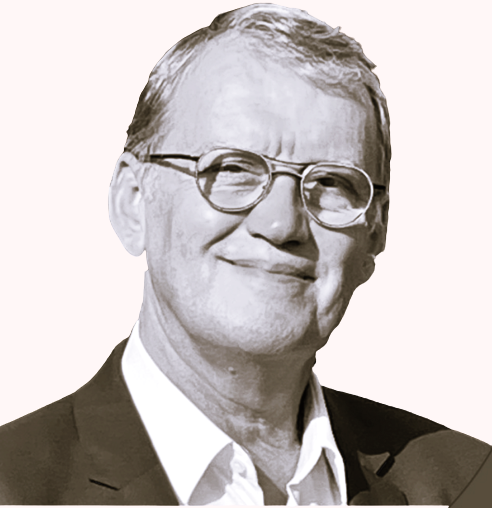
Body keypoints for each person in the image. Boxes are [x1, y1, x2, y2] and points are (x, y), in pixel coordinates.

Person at [0, 3, 489, 505]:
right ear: (133, 201)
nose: (281, 224)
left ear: (375, 231)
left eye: (331, 183)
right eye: (232, 169)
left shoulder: (472, 485)